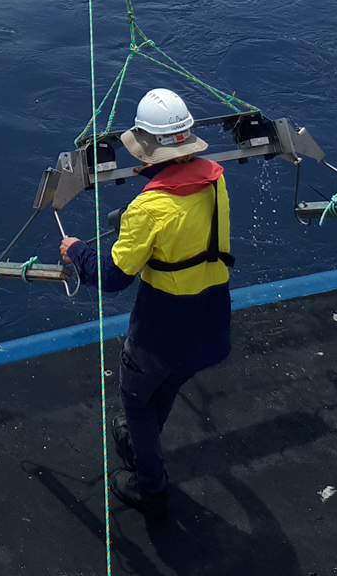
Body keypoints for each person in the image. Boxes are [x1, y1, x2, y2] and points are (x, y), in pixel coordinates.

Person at [60, 88, 232, 518]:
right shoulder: (215, 179)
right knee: (169, 385)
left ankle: (150, 485)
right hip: (211, 322)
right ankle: (143, 442)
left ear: (147, 148)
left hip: (162, 328)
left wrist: (77, 250)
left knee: (136, 401)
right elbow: (183, 205)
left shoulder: (148, 209)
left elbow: (113, 278)